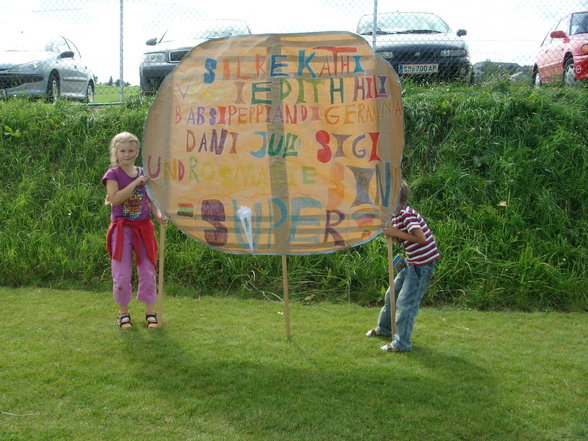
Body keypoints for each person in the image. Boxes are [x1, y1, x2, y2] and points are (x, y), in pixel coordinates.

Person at [366, 180, 440, 352]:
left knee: (406, 303)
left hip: (422, 265)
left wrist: (396, 233)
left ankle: (402, 343)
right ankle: (385, 329)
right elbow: (404, 238)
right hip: (410, 262)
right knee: (391, 295)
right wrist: (393, 236)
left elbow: (421, 238)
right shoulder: (395, 216)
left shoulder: (407, 214)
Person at [102, 132, 166, 329]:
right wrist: (136, 182)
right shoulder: (113, 174)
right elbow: (115, 199)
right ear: (116, 153)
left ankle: (150, 312)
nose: (127, 154)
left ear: (137, 152)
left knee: (148, 271)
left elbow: (150, 199)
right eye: (123, 151)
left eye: (131, 150)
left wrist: (158, 213)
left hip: (144, 227)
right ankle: (123, 314)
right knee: (121, 275)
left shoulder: (143, 172)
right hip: (122, 231)